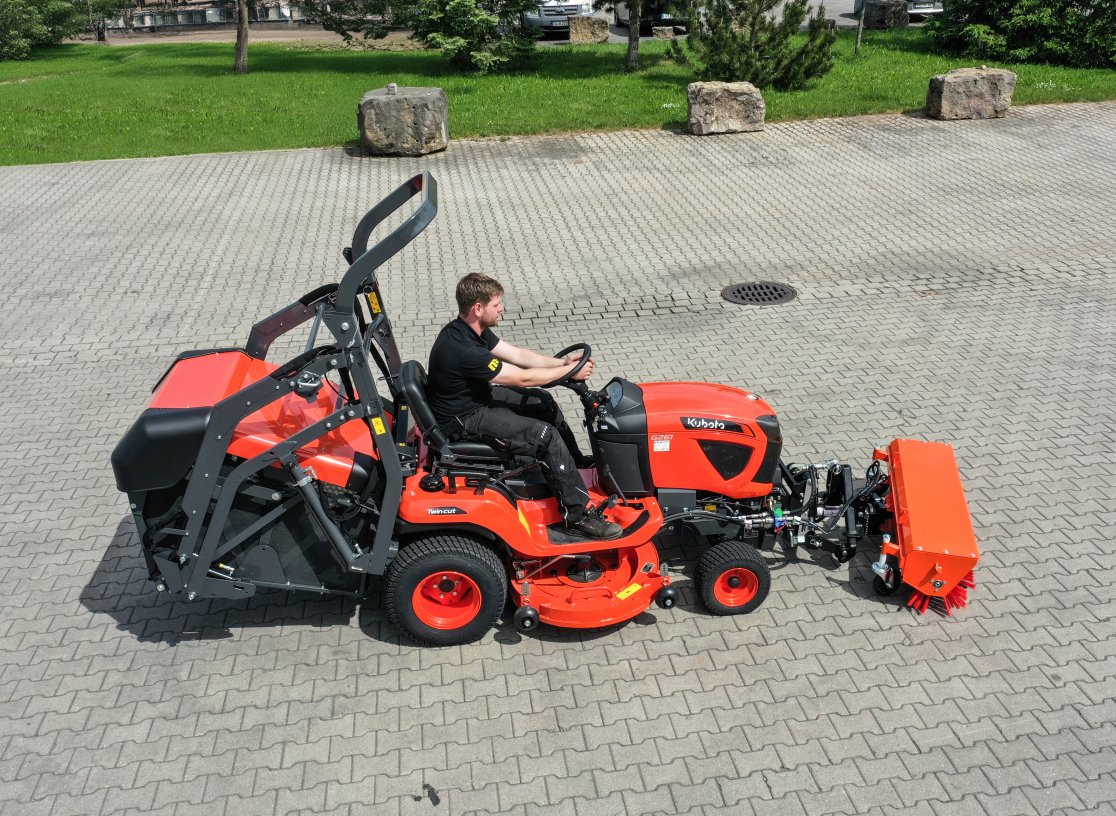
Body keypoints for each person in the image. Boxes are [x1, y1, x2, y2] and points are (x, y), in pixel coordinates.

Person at [426, 273, 622, 540]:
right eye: (497, 304)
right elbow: (521, 377)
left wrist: (564, 365)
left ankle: (573, 463)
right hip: (465, 419)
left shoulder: (469, 330)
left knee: (543, 402)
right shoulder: (464, 349)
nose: (502, 309)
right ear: (478, 308)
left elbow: (518, 355)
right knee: (544, 436)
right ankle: (577, 517)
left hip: (476, 399)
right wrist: (570, 374)